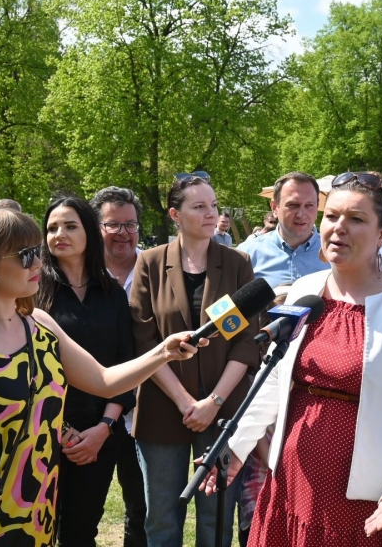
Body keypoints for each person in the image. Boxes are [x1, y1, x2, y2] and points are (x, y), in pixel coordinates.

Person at [0, 206, 202, 546]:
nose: (37, 263)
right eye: (24, 255)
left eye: (36, 252)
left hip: (38, 522)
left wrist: (164, 351)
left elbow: (104, 381)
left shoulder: (40, 325)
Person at [202, 170, 382, 545]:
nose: (339, 227)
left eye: (356, 219)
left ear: (381, 233)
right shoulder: (305, 292)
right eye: (333, 216)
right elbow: (274, 379)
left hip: (377, 495)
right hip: (295, 481)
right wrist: (237, 445)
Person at [129, 171, 260, 547]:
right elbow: (145, 342)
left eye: (213, 205)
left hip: (222, 410)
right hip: (162, 407)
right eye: (199, 206)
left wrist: (213, 402)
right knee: (162, 519)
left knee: (215, 518)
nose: (211, 213)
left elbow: (246, 342)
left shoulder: (237, 263)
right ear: (175, 214)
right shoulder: (150, 263)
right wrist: (186, 402)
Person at [35, 196, 137, 546]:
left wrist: (104, 428)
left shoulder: (112, 293)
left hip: (100, 433)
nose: (59, 234)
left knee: (80, 532)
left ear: (90, 233)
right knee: (38, 532)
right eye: (51, 228)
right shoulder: (33, 293)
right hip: (44, 433)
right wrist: (64, 432)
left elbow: (124, 364)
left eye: (70, 226)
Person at [90, 185, 148, 547]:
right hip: (89, 411)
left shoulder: (156, 269)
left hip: (143, 412)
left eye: (131, 224)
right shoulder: (80, 277)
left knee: (140, 510)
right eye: (113, 225)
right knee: (80, 512)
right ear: (97, 227)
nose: (124, 233)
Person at [237, 172, 329, 287]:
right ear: (275, 208)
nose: (301, 214)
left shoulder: (335, 254)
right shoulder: (247, 254)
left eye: (309, 205)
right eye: (293, 205)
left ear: (317, 207)